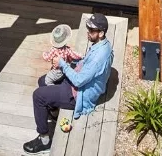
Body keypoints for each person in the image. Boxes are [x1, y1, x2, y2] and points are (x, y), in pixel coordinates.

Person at [25, 13, 113, 154]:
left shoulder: (99, 57)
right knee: (43, 81)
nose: (88, 33)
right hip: (80, 81)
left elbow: (79, 80)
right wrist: (71, 63)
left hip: (79, 94)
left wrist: (62, 64)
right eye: (87, 28)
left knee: (38, 96)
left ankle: (44, 140)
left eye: (91, 30)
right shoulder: (103, 45)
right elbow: (86, 65)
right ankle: (53, 112)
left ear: (101, 33)